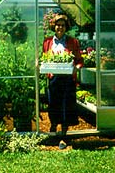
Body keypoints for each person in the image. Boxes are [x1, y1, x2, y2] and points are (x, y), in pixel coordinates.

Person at [42, 14, 83, 149]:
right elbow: (44, 58)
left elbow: (79, 60)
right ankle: (54, 129)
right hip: (53, 78)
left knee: (66, 107)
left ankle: (64, 137)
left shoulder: (73, 42)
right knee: (53, 104)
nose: (60, 27)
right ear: (54, 26)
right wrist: (40, 63)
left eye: (63, 25)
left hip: (67, 80)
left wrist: (76, 68)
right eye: (58, 25)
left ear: (66, 27)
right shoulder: (47, 42)